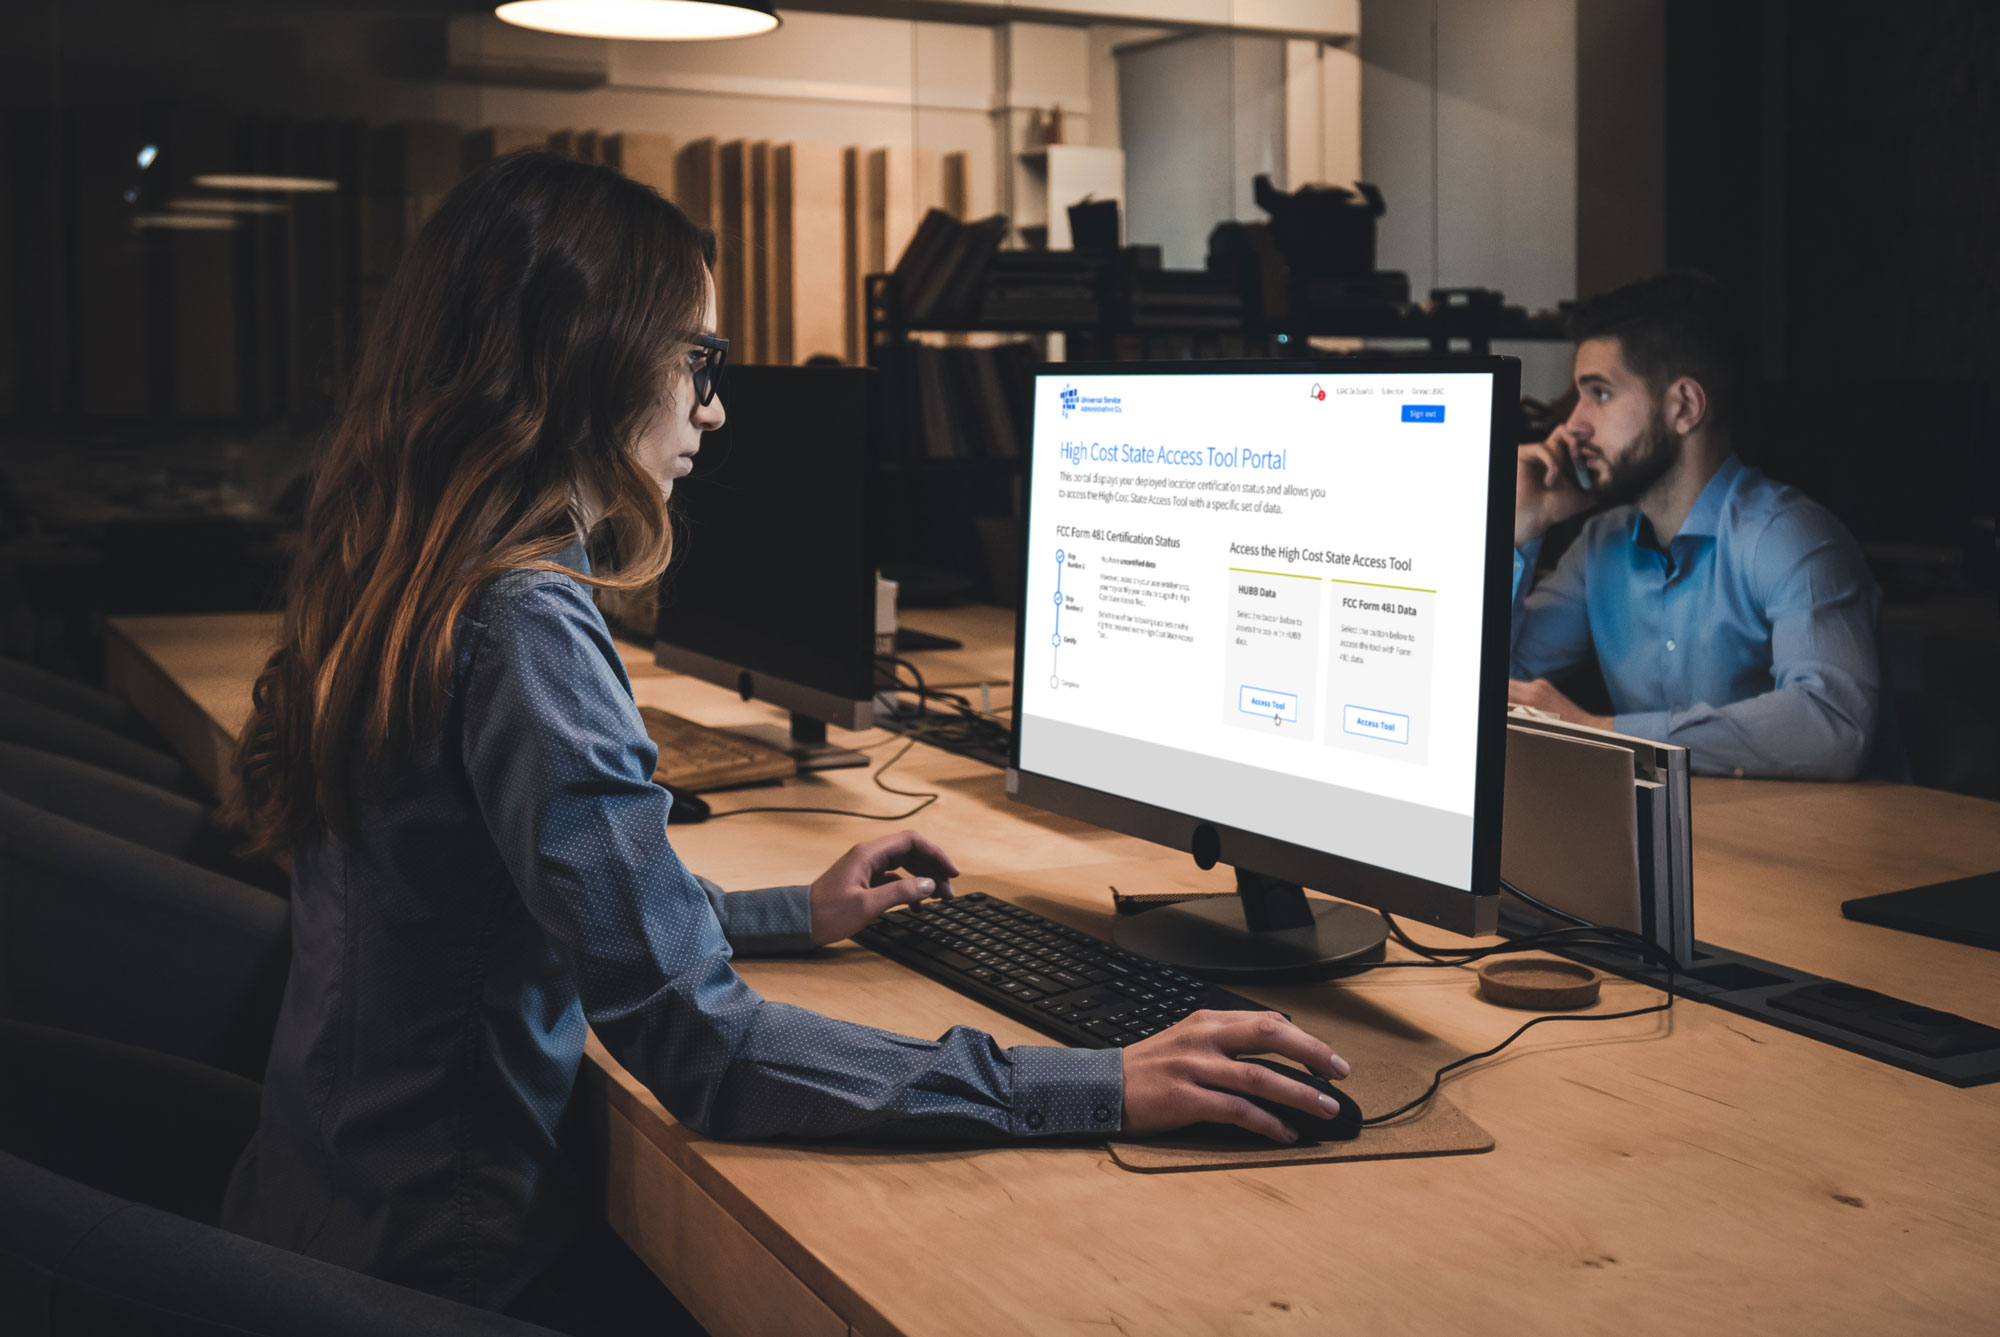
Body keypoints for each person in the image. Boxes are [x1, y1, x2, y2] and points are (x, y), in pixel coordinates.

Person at [217, 152, 1348, 1331]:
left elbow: (516, 895)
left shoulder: (402, 568)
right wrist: (1098, 1079)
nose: (713, 404)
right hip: (447, 1264)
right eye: (695, 358)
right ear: (590, 356)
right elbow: (703, 1045)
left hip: (318, 1207)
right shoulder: (524, 622)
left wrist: (784, 915)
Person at [1508, 273, 1881, 780]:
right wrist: (1519, 531)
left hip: (1825, 843)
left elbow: (1832, 724)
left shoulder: (1789, 537)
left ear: (1684, 407)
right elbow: (1501, 682)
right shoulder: (1601, 545)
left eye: (1599, 394)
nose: (1573, 424)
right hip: (1688, 836)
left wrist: (1603, 732)